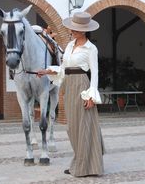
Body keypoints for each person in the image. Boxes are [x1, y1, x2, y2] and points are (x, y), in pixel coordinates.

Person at [37, 12, 104, 177]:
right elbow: (64, 68)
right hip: (68, 86)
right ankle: (80, 162)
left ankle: (86, 166)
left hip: (82, 86)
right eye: (72, 28)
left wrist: (91, 96)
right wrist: (47, 71)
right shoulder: (69, 45)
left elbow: (95, 73)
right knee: (72, 128)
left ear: (83, 31)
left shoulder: (91, 48)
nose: (71, 31)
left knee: (83, 127)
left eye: (75, 29)